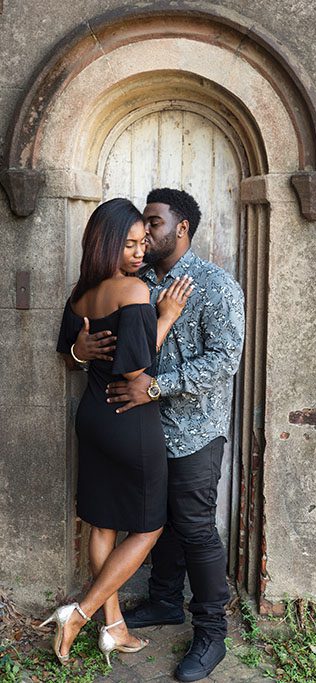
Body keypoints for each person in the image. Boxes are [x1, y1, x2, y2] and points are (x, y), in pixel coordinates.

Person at [73, 188, 245, 682]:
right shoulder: (134, 279)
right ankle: (165, 601)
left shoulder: (215, 286)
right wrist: (82, 350)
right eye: (142, 225)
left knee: (193, 527)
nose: (145, 233)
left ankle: (212, 632)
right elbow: (93, 340)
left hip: (194, 431)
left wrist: (158, 387)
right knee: (153, 522)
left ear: (182, 228)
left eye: (154, 222)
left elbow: (224, 362)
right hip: (141, 432)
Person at [49, 198, 193, 666]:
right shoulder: (133, 291)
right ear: (107, 244)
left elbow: (65, 348)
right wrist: (166, 317)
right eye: (129, 243)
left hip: (92, 417)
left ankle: (114, 628)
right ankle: (82, 613)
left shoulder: (80, 295)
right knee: (149, 526)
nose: (139, 251)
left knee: (103, 522)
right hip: (128, 420)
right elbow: (136, 370)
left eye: (143, 241)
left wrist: (77, 350)